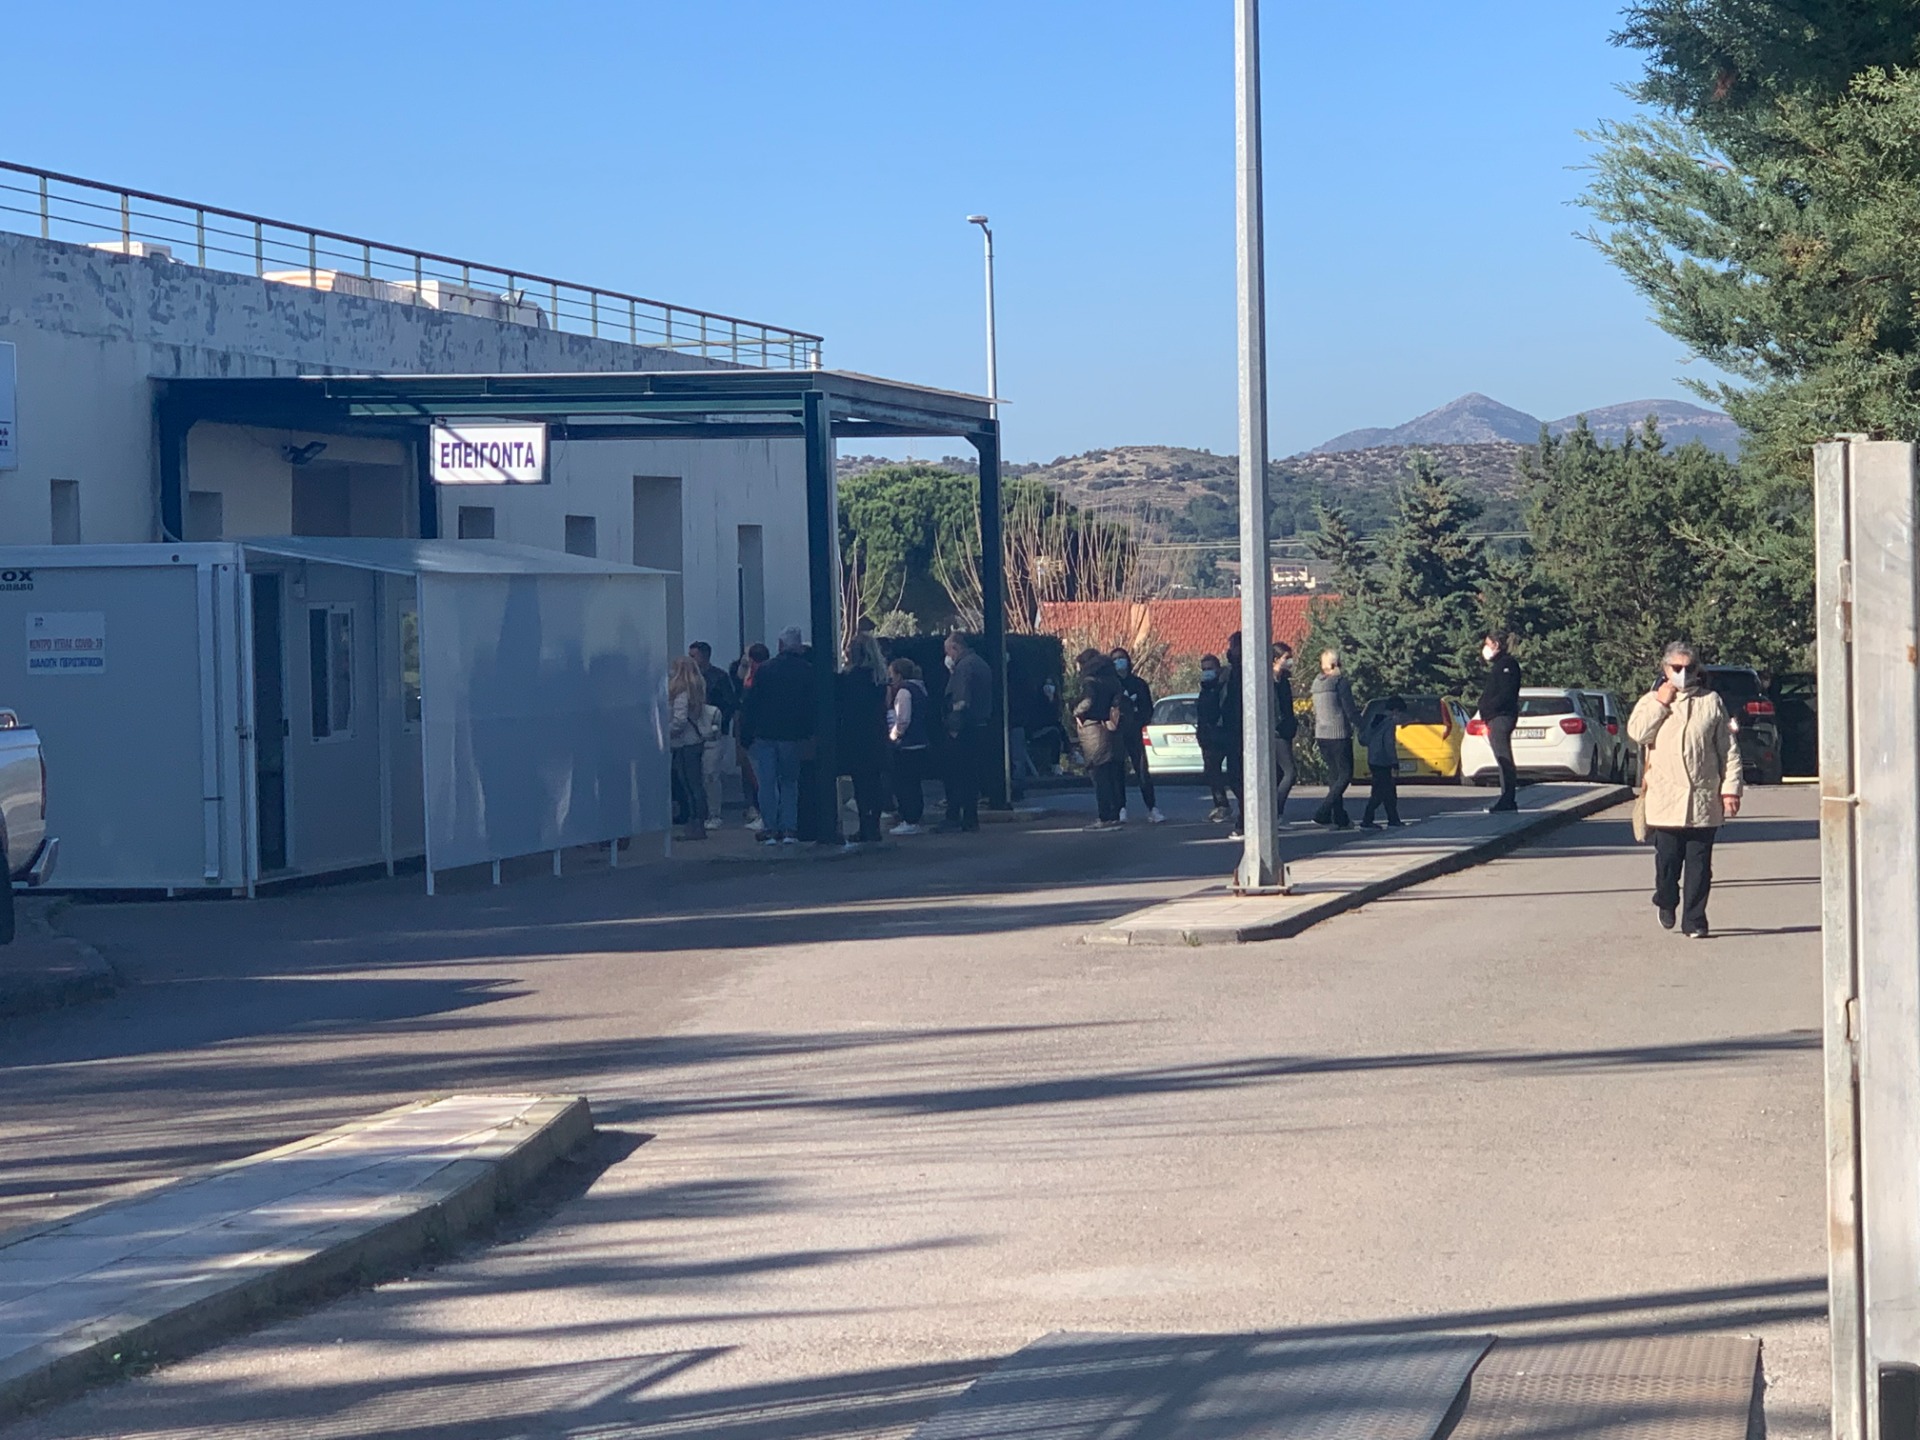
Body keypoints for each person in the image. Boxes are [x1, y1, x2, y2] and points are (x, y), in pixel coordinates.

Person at [1628, 642, 1744, 938]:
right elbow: (1638, 733)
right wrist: (1661, 703)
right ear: (1665, 669)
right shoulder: (1652, 700)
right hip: (1665, 798)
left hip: (1702, 798)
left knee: (1699, 865)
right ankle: (1666, 900)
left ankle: (1695, 919)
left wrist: (1731, 790)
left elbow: (1728, 750)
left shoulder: (1711, 701)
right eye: (1676, 668)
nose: (1683, 673)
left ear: (1697, 670)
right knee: (1667, 861)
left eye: (1689, 668)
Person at [740, 627, 814, 845]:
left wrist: (746, 735)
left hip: (766, 733)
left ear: (781, 645)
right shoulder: (807, 670)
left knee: (767, 783)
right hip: (793, 735)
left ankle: (770, 827)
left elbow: (752, 704)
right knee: (790, 782)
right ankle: (789, 828)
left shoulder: (766, 669)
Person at [837, 631, 890, 845]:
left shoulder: (851, 678)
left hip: (857, 737)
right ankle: (873, 827)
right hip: (877, 735)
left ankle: (865, 826)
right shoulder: (879, 678)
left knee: (861, 785)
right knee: (874, 784)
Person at [940, 632, 994, 833]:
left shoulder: (963, 668)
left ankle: (955, 816)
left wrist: (953, 728)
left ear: (955, 648)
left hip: (964, 729)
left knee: (957, 775)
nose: (948, 657)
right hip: (979, 725)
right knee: (971, 775)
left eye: (948, 652)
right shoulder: (980, 663)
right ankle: (970, 818)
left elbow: (960, 702)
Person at [1110, 646, 1165, 824]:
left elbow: (1148, 707)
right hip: (1117, 733)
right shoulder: (1111, 685)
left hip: (1134, 731)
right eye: (1115, 659)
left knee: (1142, 770)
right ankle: (1120, 808)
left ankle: (1152, 808)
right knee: (1117, 771)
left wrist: (1140, 720)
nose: (1119, 662)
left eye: (1121, 658)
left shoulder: (1139, 684)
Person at [1073, 648, 1126, 830]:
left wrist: (1076, 711)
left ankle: (1105, 816)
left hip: (1093, 730)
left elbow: (1088, 701)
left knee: (1098, 774)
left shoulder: (1090, 681)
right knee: (1112, 775)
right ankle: (1115, 814)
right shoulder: (1113, 680)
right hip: (1111, 730)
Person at [688, 641, 737, 827]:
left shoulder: (719, 677)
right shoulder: (689, 678)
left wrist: (718, 723)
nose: (691, 660)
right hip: (693, 731)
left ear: (704, 656)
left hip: (714, 731)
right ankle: (698, 812)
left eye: (693, 656)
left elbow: (730, 703)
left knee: (710, 773)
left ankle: (714, 813)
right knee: (695, 775)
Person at [1311, 650, 1361, 829]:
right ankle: (1323, 812)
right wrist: (1362, 725)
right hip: (1339, 734)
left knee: (1334, 777)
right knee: (1345, 775)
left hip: (1321, 734)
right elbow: (1350, 710)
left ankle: (1339, 817)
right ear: (1335, 664)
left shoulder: (1316, 683)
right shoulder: (1340, 682)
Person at [666, 656, 714, 840]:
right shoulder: (696, 689)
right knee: (695, 784)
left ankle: (695, 823)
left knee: (689, 783)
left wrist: (665, 732)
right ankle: (698, 823)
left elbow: (679, 720)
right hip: (695, 741)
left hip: (685, 742)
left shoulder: (681, 692)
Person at [1478, 630, 1523, 813]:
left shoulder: (1507, 665)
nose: (1485, 648)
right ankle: (1507, 798)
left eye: (1487, 644)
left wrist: (1489, 709)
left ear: (1496, 645)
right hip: (1496, 717)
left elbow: (1506, 694)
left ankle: (1507, 800)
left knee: (1504, 759)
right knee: (1501, 758)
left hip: (1501, 717)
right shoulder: (1499, 665)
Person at [887, 657, 933, 834]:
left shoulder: (904, 692)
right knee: (914, 784)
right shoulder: (920, 688)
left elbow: (903, 720)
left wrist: (894, 736)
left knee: (904, 784)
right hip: (920, 742)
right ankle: (914, 818)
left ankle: (909, 818)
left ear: (899, 675)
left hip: (907, 745)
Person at [732, 642, 771, 831]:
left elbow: (747, 702)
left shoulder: (756, 677)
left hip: (755, 733)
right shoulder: (755, 674)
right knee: (756, 774)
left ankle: (764, 814)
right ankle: (760, 811)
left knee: (759, 776)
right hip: (757, 731)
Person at [1359, 694, 1406, 830]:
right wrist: (1394, 762)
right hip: (1383, 761)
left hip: (1373, 759)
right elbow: (1389, 743)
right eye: (1400, 714)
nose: (1400, 718)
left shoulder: (1375, 719)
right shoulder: (1389, 723)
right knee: (1381, 792)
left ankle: (1393, 819)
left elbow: (1364, 739)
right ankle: (1367, 820)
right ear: (1396, 711)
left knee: (1387, 791)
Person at [1196, 653, 1231, 822]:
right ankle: (1221, 805)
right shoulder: (1205, 688)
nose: (1207, 672)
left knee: (1233, 773)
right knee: (1211, 772)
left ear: (1218, 668)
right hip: (1208, 737)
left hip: (1223, 734)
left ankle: (1236, 807)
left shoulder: (1224, 686)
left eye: (1210, 668)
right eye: (1204, 669)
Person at [1271, 642, 1300, 824]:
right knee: (1290, 773)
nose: (1290, 662)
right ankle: (1276, 811)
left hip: (1285, 731)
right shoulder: (1269, 682)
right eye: (1286, 658)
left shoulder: (1283, 681)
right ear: (1275, 659)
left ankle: (1274, 812)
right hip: (1276, 733)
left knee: (1280, 774)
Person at [1222, 631, 1247, 836]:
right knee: (1234, 776)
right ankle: (1244, 813)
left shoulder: (1246, 670)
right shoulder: (1229, 672)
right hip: (1231, 730)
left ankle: (1245, 818)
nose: (1231, 651)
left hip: (1243, 729)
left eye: (1234, 647)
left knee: (1241, 775)